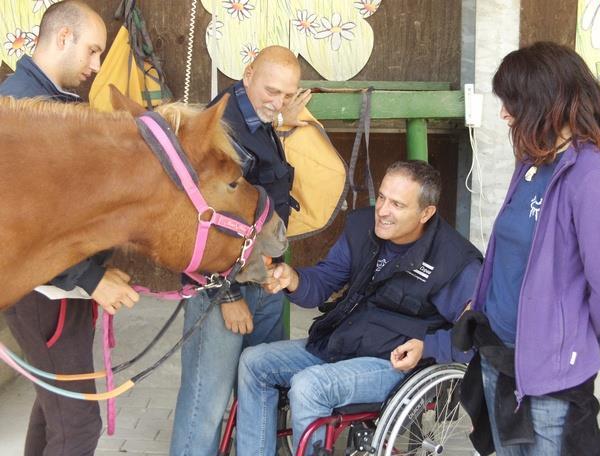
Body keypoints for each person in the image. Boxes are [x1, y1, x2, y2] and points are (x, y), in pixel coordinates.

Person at [236, 160, 483, 452]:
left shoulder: (454, 261)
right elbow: (324, 281)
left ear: (426, 213)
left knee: (309, 386)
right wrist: (293, 279)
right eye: (381, 197)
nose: (382, 210)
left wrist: (428, 348)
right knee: (254, 362)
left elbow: (476, 333)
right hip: (345, 342)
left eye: (397, 204)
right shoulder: (362, 228)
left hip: (394, 363)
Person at [0, 2, 139, 455]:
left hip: (61, 291)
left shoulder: (56, 104)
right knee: (78, 424)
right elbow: (22, 227)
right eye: (93, 51)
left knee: (53, 407)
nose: (97, 66)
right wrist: (91, 278)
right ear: (63, 38)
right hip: (43, 295)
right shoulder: (25, 111)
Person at [457, 41, 600, 455]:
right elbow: (508, 253)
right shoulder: (531, 161)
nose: (504, 113)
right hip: (497, 354)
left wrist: (567, 337)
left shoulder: (590, 176)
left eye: (512, 103)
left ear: (547, 102)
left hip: (552, 372)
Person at [170, 46, 311, 456]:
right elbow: (197, 221)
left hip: (263, 281)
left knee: (261, 394)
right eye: (272, 91)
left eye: (288, 94)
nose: (279, 102)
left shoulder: (262, 119)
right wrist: (227, 297)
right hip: (224, 290)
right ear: (247, 73)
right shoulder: (220, 126)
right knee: (206, 404)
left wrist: (273, 271)